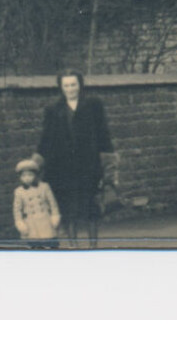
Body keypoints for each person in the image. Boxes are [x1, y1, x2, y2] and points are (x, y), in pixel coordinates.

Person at [35, 70, 115, 247]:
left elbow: (103, 134)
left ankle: (93, 247)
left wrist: (107, 164)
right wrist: (36, 163)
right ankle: (74, 247)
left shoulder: (93, 105)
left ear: (80, 85)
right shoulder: (53, 110)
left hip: (89, 166)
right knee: (68, 210)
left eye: (73, 84)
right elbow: (46, 139)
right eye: (66, 85)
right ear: (61, 88)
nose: (70, 89)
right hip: (63, 168)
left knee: (91, 209)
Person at [11, 157, 61, 248]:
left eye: (30, 175)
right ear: (20, 177)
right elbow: (17, 211)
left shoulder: (44, 187)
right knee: (36, 246)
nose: (27, 178)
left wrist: (55, 217)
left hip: (45, 221)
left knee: (51, 245)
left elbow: (53, 205)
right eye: (24, 176)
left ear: (36, 175)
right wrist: (20, 223)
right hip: (31, 224)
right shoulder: (19, 191)